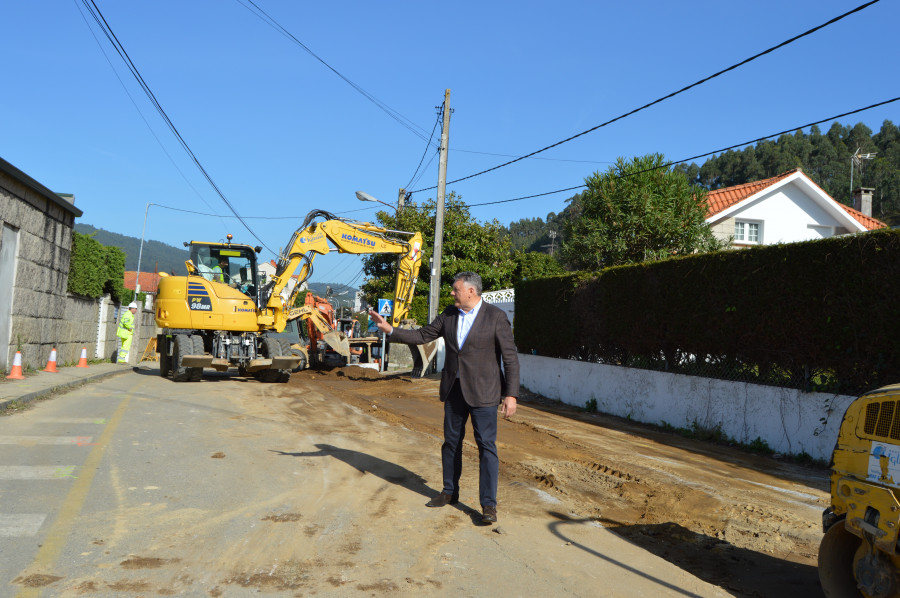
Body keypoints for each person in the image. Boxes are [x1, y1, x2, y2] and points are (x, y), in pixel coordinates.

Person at [368, 271, 520, 524]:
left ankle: (488, 505)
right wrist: (390, 329)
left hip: (485, 392)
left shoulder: (496, 317)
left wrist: (511, 395)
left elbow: (510, 358)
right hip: (454, 390)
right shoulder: (449, 314)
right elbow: (421, 336)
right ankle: (449, 492)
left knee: (486, 447)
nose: (451, 293)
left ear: (471, 291)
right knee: (451, 443)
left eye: (455, 289)